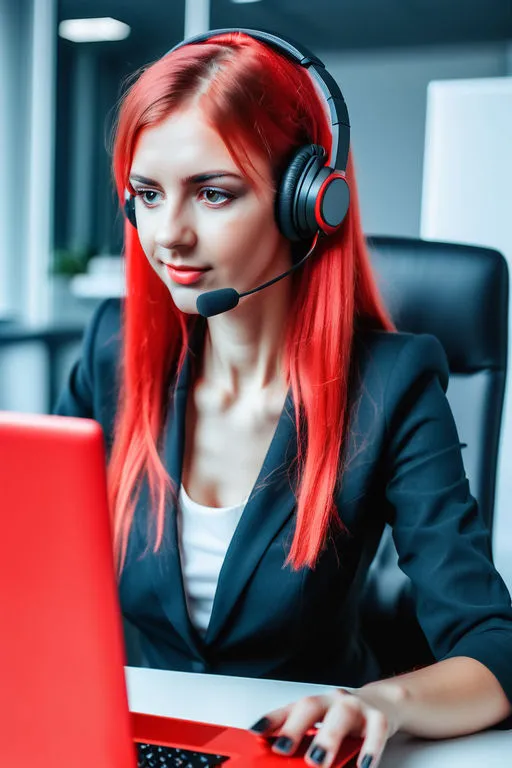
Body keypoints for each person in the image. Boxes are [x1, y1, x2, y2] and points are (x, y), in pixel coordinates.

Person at [55, 29, 512, 768]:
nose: (168, 234)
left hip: (291, 751)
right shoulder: (113, 354)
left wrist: (379, 704)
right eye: (146, 194)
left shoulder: (390, 385)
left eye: (213, 192)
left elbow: (496, 647)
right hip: (132, 736)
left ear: (308, 201)